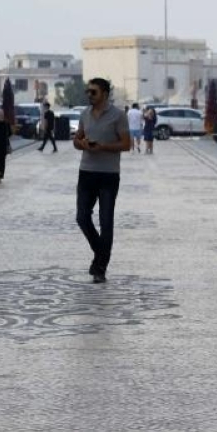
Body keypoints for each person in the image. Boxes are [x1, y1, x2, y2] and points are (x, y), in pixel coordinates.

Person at [72, 78, 131, 284]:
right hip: (86, 172)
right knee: (82, 217)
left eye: (94, 92)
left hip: (108, 174)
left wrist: (103, 147)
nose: (89, 95)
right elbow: (76, 140)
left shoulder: (118, 115)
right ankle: (101, 253)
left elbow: (126, 144)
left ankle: (100, 268)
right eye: (88, 91)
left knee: (106, 221)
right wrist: (82, 144)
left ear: (105, 94)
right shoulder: (85, 114)